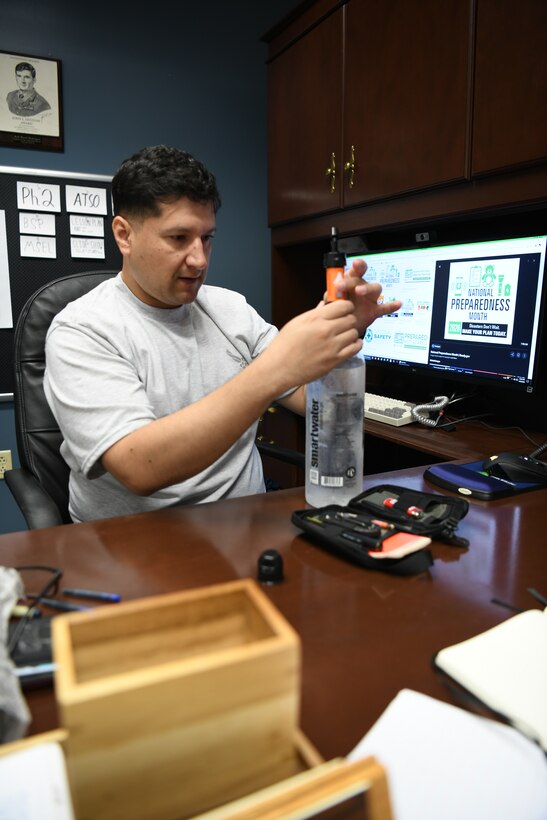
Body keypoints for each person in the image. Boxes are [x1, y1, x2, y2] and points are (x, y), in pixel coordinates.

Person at [44, 145, 402, 523]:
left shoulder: (230, 310)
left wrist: (341, 338)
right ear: (124, 235)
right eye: (179, 238)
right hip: (135, 546)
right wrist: (274, 370)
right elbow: (139, 466)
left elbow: (313, 399)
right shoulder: (81, 330)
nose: (199, 259)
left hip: (243, 527)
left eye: (207, 238)